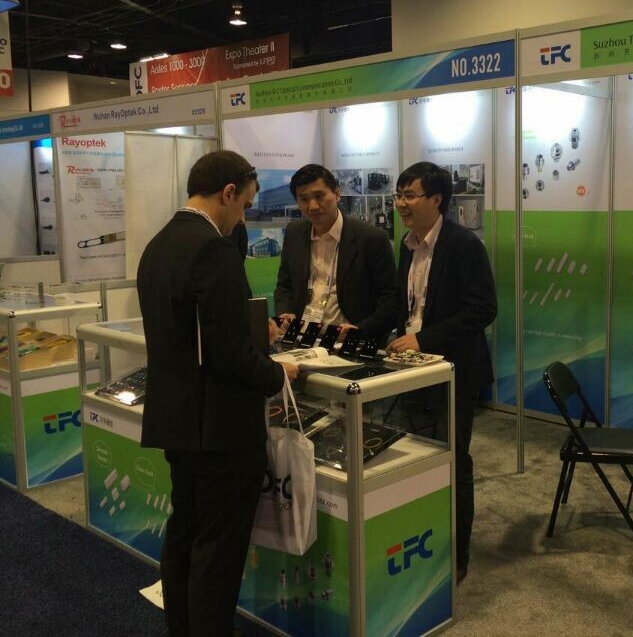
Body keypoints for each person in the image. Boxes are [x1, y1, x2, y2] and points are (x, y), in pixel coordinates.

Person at [137, 150, 299, 637]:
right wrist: (278, 375)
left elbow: (193, 335)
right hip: (220, 431)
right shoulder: (213, 249)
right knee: (218, 552)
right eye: (245, 205)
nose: (243, 218)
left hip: (178, 421)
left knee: (185, 533)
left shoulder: (158, 244)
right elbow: (229, 354)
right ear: (228, 192)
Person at [386, 161, 497, 584]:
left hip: (454, 371)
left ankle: (457, 555)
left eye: (409, 195)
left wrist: (424, 339)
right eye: (399, 195)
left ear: (436, 199)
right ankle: (422, 540)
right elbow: (409, 306)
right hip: (412, 370)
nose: (401, 203)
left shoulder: (463, 245)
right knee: (416, 456)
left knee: (453, 460)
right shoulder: (407, 245)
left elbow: (483, 309)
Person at [274, 164, 399, 342]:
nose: (313, 206)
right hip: (303, 338)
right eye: (304, 199)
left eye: (319, 196)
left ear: (337, 194)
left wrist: (359, 331)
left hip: (348, 341)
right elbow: (285, 285)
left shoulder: (371, 238)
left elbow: (391, 300)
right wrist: (285, 312)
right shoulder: (294, 233)